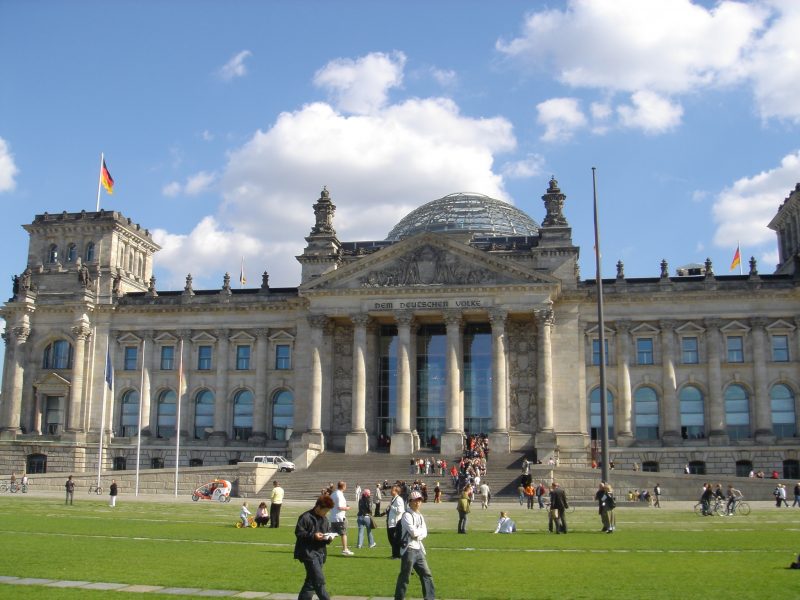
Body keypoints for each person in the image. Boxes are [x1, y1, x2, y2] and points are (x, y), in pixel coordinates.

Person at [394, 490, 435, 600]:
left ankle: (430, 598)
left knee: (427, 574)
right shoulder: (407, 515)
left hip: (418, 549)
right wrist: (419, 533)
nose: (418, 503)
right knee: (405, 576)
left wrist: (419, 535)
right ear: (410, 502)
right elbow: (413, 532)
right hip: (409, 549)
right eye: (415, 501)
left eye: (419, 501)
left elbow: (424, 532)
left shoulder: (420, 516)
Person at [294, 494, 336, 600]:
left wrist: (329, 537)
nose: (326, 513)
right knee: (318, 580)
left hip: (320, 553)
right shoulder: (305, 517)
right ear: (318, 507)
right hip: (308, 553)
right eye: (325, 510)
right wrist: (313, 536)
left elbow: (327, 531)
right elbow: (299, 533)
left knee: (311, 582)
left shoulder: (324, 519)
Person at [330, 480, 353, 555]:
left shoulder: (333, 493)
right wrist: (347, 508)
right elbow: (340, 506)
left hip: (333, 516)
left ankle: (320, 545)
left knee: (332, 534)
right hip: (340, 517)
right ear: (343, 486)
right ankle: (345, 549)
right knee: (343, 533)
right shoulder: (339, 494)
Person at [386, 484, 405, 559]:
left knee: (395, 539)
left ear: (396, 491)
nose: (391, 491)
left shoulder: (399, 499)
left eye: (392, 490)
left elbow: (400, 511)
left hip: (396, 523)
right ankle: (395, 554)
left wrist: (392, 507)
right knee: (391, 539)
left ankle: (397, 555)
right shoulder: (393, 499)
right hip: (391, 522)